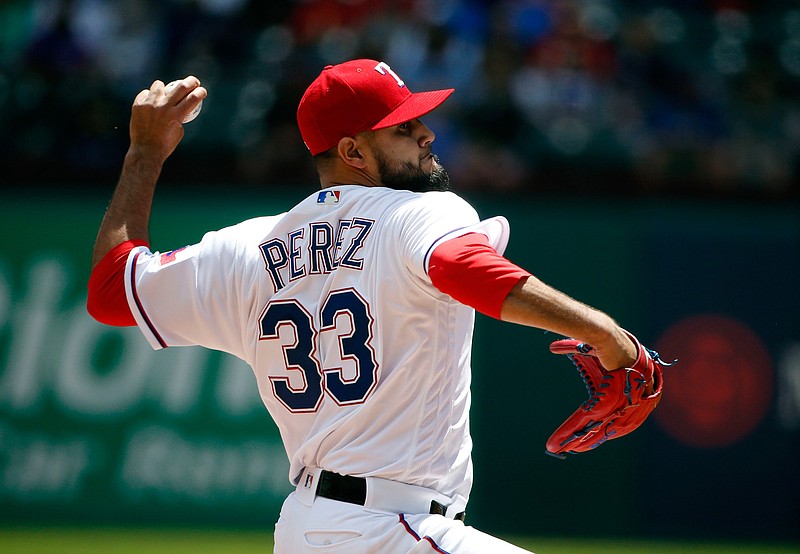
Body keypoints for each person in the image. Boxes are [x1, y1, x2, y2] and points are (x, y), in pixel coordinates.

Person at [87, 59, 638, 553]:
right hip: (392, 528)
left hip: (308, 527)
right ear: (352, 151)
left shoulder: (245, 249)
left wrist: (144, 153)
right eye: (403, 127)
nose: (426, 134)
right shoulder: (416, 213)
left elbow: (113, 292)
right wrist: (608, 335)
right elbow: (464, 268)